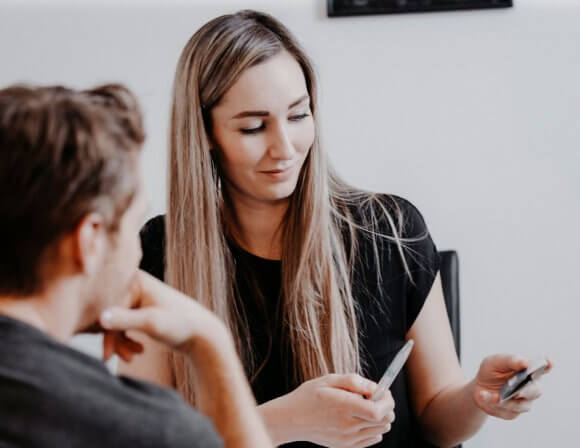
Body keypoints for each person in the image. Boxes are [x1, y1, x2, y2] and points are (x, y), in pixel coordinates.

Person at [119, 10, 552, 448]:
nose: (285, 148)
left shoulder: (392, 233)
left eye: (298, 115)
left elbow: (437, 420)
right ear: (205, 131)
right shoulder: (158, 255)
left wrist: (478, 399)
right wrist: (281, 421)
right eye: (253, 126)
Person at [0, 84, 271, 448]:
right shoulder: (142, 431)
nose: (137, 253)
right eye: (132, 227)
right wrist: (210, 342)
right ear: (89, 240)